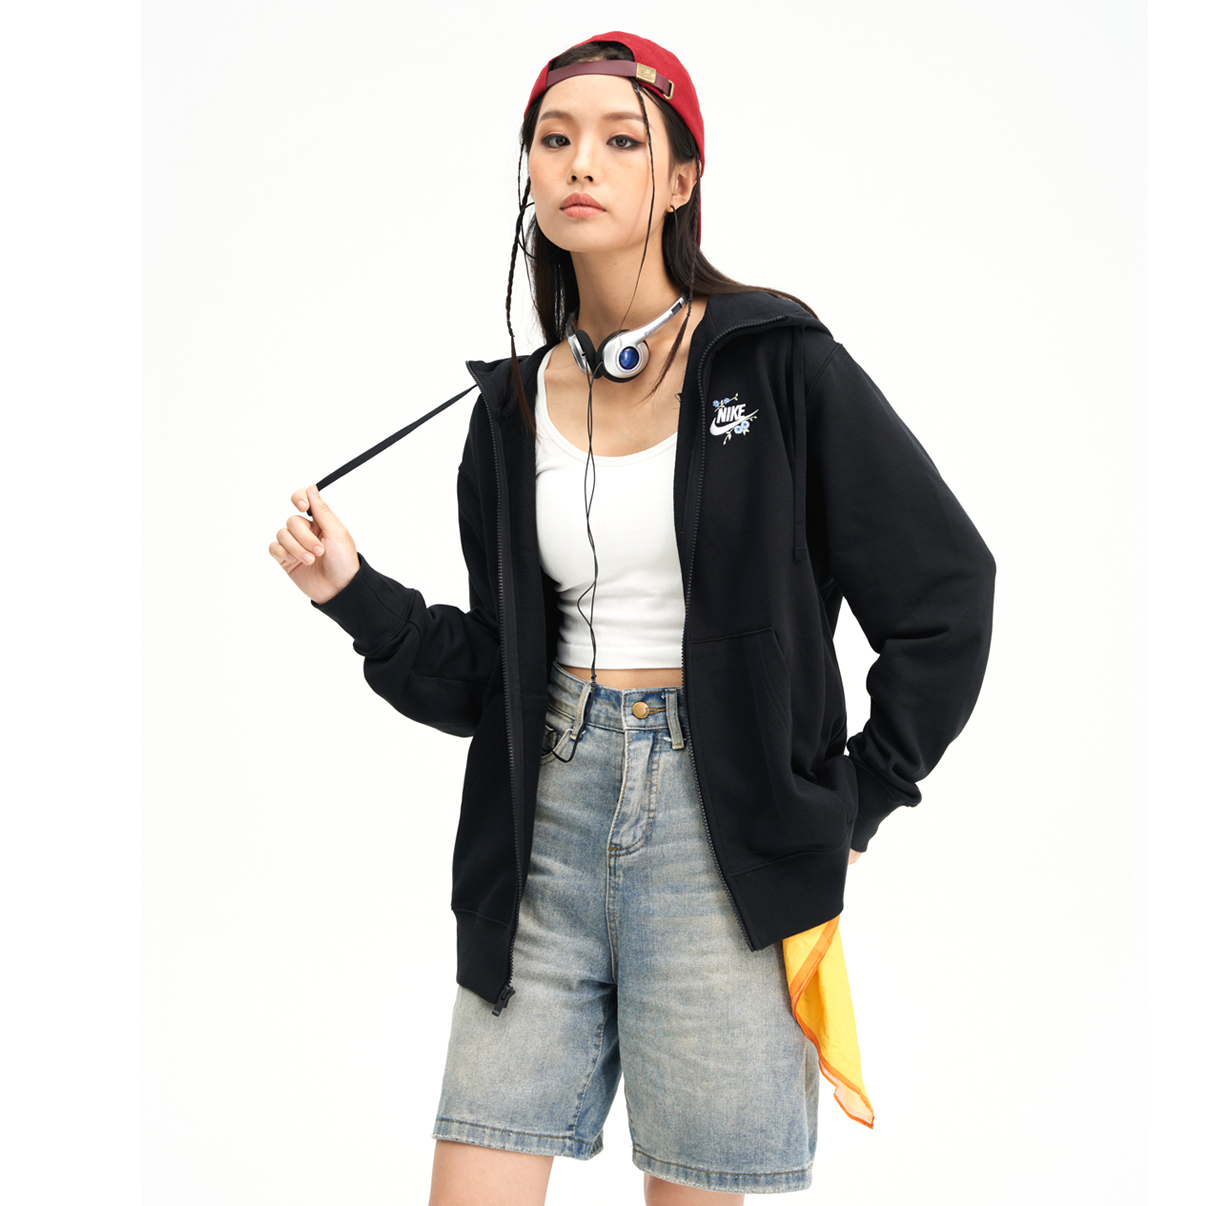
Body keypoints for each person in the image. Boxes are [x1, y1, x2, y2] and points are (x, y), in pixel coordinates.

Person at [268, 31, 995, 1205]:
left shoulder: (778, 364)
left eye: (620, 140)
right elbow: (496, 676)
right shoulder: (508, 409)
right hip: (544, 826)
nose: (580, 164)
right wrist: (355, 594)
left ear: (680, 178)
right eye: (554, 140)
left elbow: (946, 589)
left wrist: (864, 794)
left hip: (726, 838)